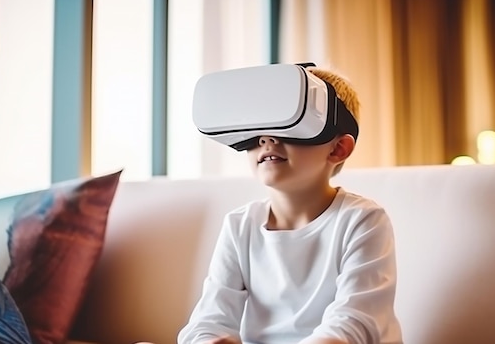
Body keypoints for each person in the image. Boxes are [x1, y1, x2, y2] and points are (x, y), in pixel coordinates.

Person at [144, 65, 403, 344]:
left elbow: (353, 324)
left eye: (290, 124)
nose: (267, 138)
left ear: (337, 148)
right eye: (259, 128)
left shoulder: (362, 220)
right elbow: (208, 322)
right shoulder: (240, 226)